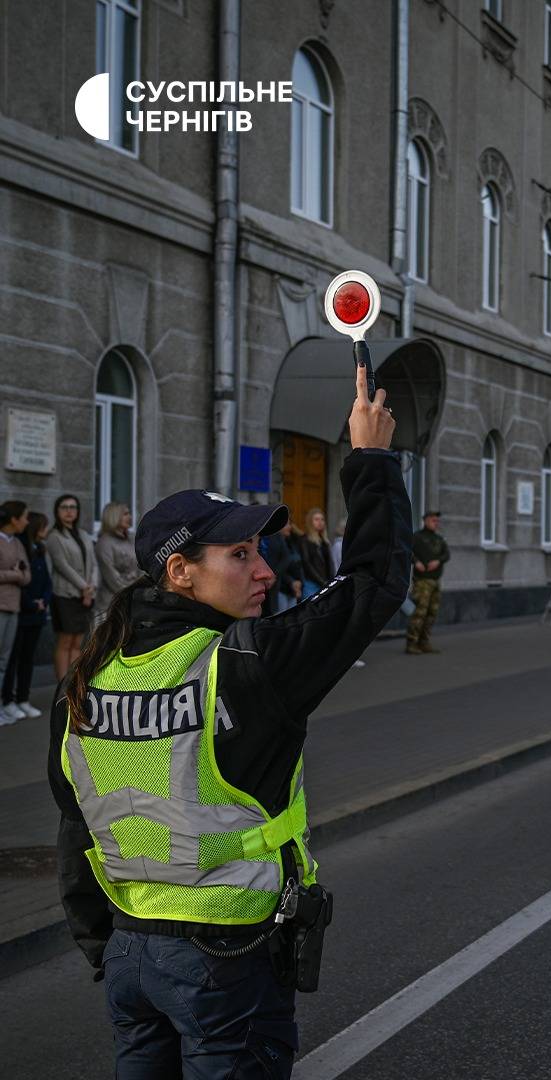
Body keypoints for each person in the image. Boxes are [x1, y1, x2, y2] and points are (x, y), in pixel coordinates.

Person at [47, 363, 408, 1077]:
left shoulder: (84, 679)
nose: (264, 571)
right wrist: (369, 459)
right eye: (239, 555)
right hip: (226, 958)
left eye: (263, 552)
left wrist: (106, 946)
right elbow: (374, 583)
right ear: (180, 573)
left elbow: (75, 828)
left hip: (130, 955)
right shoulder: (245, 665)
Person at [1, 510, 52, 721]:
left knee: (26, 659)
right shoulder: (17, 543)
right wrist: (30, 602)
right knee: (11, 659)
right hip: (21, 608)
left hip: (36, 610)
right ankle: (8, 700)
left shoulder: (37, 548)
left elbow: (34, 577)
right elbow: (22, 578)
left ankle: (22, 699)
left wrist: (44, 600)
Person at [45, 493, 99, 679]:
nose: (69, 511)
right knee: (65, 641)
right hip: (65, 595)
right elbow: (62, 566)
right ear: (57, 511)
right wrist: (85, 587)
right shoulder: (54, 536)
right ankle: (61, 687)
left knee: (78, 642)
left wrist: (92, 586)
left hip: (86, 594)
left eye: (73, 507)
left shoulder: (83, 534)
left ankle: (72, 684)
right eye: (64, 507)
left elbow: (93, 563)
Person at [0, 501, 32, 725]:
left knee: (4, 660)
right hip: (1, 606)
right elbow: (18, 573)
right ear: (14, 519)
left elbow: (26, 574)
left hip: (14, 606)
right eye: (24, 517)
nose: (27, 521)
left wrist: (16, 574)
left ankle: (2, 705)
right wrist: (15, 575)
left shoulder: (18, 543)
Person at [406, 510, 450, 655]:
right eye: (433, 520)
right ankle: (412, 643)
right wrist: (416, 562)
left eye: (437, 521)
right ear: (425, 520)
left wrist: (439, 561)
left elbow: (446, 554)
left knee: (432, 613)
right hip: (422, 581)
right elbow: (407, 551)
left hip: (435, 580)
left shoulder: (439, 539)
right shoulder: (417, 537)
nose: (435, 523)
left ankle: (424, 642)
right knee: (420, 612)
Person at [95, 502, 142, 618]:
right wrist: (136, 592)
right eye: (125, 514)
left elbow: (142, 563)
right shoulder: (104, 543)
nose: (130, 517)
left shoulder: (132, 538)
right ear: (114, 516)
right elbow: (112, 578)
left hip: (134, 600)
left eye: (129, 513)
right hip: (111, 605)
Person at [260, 523, 302, 617]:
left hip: (277, 585)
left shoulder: (278, 537)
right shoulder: (258, 536)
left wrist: (273, 575)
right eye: (286, 524)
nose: (289, 527)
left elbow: (287, 558)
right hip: (274, 586)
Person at [298, 508, 333, 600]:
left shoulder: (324, 541)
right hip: (311, 584)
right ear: (310, 522)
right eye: (316, 519)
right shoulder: (304, 540)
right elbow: (306, 563)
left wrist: (331, 581)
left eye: (322, 519)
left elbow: (329, 563)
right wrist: (321, 581)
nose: (320, 522)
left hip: (325, 583)